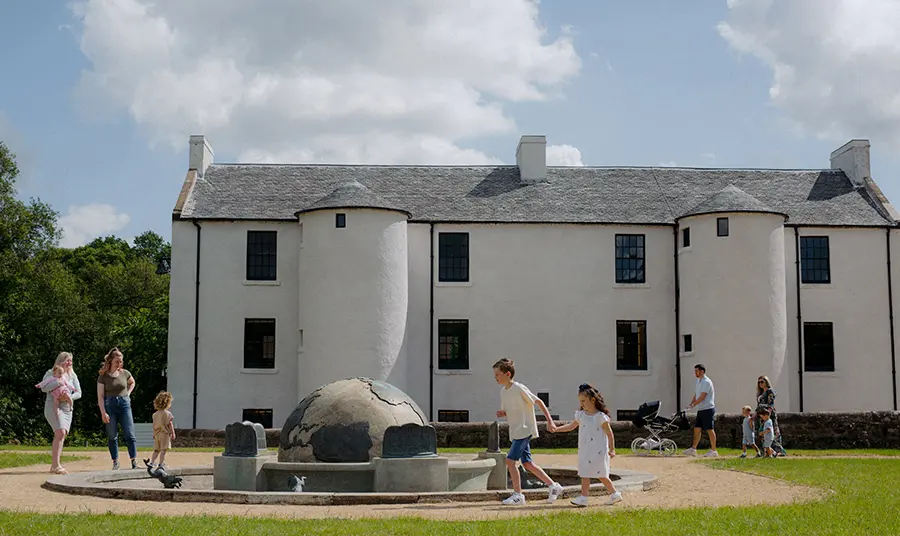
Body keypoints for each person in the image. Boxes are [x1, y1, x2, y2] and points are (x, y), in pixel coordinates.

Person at [492, 358, 564, 505]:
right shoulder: (503, 392)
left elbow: (539, 402)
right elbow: (512, 409)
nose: (495, 377)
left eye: (498, 374)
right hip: (517, 431)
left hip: (524, 430)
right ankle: (554, 486)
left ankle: (518, 495)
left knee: (510, 462)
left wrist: (550, 421)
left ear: (507, 374)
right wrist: (503, 413)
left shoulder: (519, 388)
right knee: (528, 464)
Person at [548, 383, 622, 506]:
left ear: (592, 400)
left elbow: (610, 434)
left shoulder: (600, 417)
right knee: (585, 473)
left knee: (601, 474)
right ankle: (587, 497)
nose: (581, 404)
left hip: (598, 451)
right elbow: (571, 426)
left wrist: (612, 449)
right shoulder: (581, 415)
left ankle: (612, 494)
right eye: (580, 401)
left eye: (583, 401)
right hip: (585, 450)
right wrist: (557, 429)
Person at [38, 352, 81, 474]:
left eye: (71, 361)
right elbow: (44, 388)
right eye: (67, 360)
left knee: (62, 435)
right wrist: (58, 382)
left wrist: (69, 398)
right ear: (60, 361)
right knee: (60, 432)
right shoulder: (51, 373)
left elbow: (79, 392)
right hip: (53, 406)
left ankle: (54, 465)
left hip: (67, 408)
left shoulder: (72, 375)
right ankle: (56, 465)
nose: (70, 363)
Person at [97, 347, 138, 470]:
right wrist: (103, 412)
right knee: (112, 435)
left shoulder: (125, 373)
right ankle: (115, 461)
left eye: (121, 361)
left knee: (129, 433)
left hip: (124, 404)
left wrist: (128, 394)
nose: (119, 364)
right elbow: (100, 396)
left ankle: (134, 460)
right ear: (110, 361)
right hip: (110, 405)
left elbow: (132, 382)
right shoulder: (103, 376)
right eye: (117, 362)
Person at [683, 363, 718, 457]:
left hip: (708, 409)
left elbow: (703, 396)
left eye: (697, 371)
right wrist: (691, 403)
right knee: (697, 429)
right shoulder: (698, 381)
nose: (695, 373)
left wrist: (694, 404)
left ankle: (713, 450)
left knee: (710, 429)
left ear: (702, 371)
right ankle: (693, 449)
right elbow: (696, 394)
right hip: (701, 409)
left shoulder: (707, 382)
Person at [755, 375, 787, 456]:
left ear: (766, 382)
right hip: (761, 416)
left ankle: (779, 451)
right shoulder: (760, 393)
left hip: (769, 415)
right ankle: (765, 452)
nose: (760, 384)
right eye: (759, 382)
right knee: (762, 433)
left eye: (762, 382)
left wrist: (766, 415)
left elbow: (770, 405)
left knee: (772, 433)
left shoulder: (770, 391)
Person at [149, 391, 176, 469]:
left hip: (157, 433)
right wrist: (173, 433)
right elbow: (170, 424)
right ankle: (161, 464)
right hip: (164, 434)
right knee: (163, 449)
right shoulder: (168, 414)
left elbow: (154, 425)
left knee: (156, 449)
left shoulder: (155, 414)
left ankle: (152, 462)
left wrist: (154, 434)